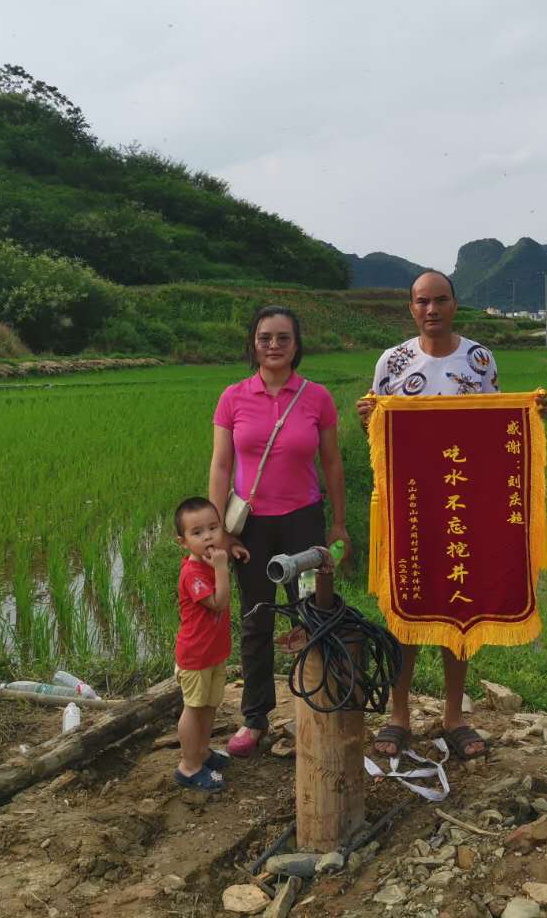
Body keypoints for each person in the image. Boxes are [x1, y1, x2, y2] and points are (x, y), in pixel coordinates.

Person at [356, 269, 498, 760]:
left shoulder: (479, 360)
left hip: (460, 503)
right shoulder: (392, 361)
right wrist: (369, 422)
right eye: (422, 301)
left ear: (454, 304)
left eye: (440, 300)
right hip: (408, 507)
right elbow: (377, 440)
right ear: (411, 307)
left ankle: (454, 715)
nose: (431, 309)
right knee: (405, 610)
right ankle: (399, 715)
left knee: (457, 607)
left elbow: (493, 430)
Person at [209, 306, 350, 758]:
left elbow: (331, 463)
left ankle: (318, 706)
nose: (273, 345)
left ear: (296, 344)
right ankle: (255, 718)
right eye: (265, 337)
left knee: (312, 614)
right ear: (253, 342)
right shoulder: (233, 397)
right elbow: (221, 464)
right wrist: (221, 532)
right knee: (256, 620)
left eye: (283, 338)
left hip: (304, 524)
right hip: (251, 527)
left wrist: (339, 522)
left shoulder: (316, 397)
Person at [171, 496, 244, 792]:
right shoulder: (193, 573)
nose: (208, 537)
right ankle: (188, 767)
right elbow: (219, 602)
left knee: (210, 705)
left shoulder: (209, 564)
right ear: (183, 541)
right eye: (197, 533)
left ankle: (201, 752)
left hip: (214, 653)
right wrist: (222, 567)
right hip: (196, 655)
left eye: (213, 528)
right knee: (194, 707)